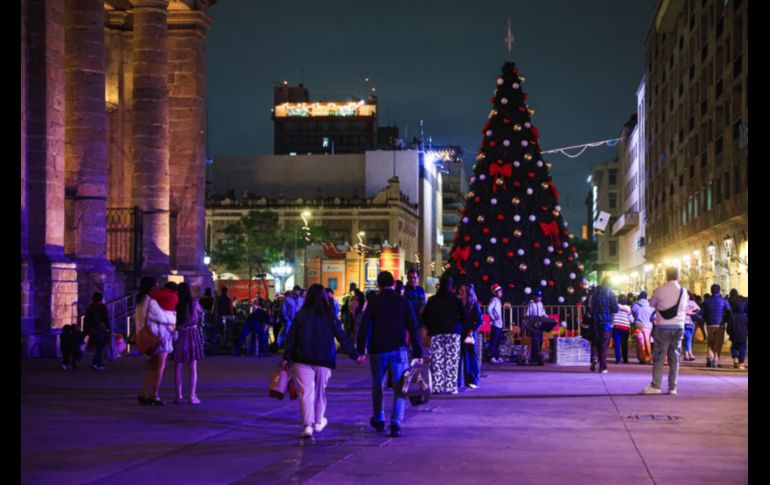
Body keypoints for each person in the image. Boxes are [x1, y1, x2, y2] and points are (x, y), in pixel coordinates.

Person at [283, 284, 364, 438]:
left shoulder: (301, 314)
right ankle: (318, 421)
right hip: (323, 359)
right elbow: (341, 336)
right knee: (320, 393)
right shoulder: (329, 315)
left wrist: (287, 358)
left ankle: (307, 426)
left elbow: (291, 338)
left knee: (306, 394)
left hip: (302, 359)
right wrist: (355, 355)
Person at [357, 271, 424, 438]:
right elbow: (413, 327)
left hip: (378, 350)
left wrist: (360, 349)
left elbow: (364, 326)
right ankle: (396, 422)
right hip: (398, 349)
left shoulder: (374, 302)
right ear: (394, 284)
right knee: (400, 386)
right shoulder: (403, 301)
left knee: (377, 384)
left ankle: (379, 417)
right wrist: (418, 350)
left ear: (378, 285)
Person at [642, 267, 689, 395]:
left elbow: (651, 304)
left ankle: (656, 385)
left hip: (663, 326)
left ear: (666, 276)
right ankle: (672, 387)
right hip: (679, 326)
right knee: (675, 356)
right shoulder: (684, 292)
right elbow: (685, 307)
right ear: (678, 276)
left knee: (659, 356)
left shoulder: (659, 290)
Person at [135, 276, 177, 405]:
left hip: (147, 335)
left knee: (153, 367)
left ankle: (143, 392)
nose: (158, 288)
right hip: (158, 336)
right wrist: (172, 317)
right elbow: (164, 318)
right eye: (156, 285)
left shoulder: (140, 301)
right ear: (152, 286)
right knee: (159, 367)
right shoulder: (151, 301)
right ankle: (155, 395)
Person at [422, 275, 466, 394]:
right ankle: (450, 387)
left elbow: (424, 317)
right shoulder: (456, 300)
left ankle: (437, 386)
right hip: (453, 333)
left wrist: (430, 327)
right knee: (451, 361)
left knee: (436, 360)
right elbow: (464, 317)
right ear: (451, 287)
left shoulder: (432, 300)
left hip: (436, 333)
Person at [171, 283, 204, 404]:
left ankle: (178, 396)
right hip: (192, 334)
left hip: (179, 334)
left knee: (178, 366)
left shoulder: (177, 304)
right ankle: (192, 396)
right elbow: (201, 312)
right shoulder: (194, 303)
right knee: (192, 366)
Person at [587, 278, 618, 373]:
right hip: (606, 323)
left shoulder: (594, 293)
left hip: (594, 322)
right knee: (604, 344)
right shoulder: (611, 294)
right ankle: (603, 367)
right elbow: (615, 309)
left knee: (595, 341)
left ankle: (594, 357)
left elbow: (589, 306)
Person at [458, 283, 482, 389]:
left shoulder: (473, 305)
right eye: (460, 291)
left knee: (472, 357)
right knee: (460, 357)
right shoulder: (459, 304)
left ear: (468, 293)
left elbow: (480, 320)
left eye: (463, 291)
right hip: (460, 333)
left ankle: (473, 380)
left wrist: (472, 330)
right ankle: (459, 381)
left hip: (470, 335)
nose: (460, 293)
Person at [701, 284, 731, 368]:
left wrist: (705, 320)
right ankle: (715, 360)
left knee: (710, 342)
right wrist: (725, 320)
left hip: (709, 324)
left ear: (711, 291)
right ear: (719, 291)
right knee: (718, 344)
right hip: (720, 325)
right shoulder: (724, 301)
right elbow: (729, 312)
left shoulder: (707, 301)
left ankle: (709, 358)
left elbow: (702, 313)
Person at [525, 290, 557, 366]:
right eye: (538, 297)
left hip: (540, 324)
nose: (539, 299)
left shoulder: (540, 304)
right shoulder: (531, 304)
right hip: (533, 325)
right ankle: (533, 358)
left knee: (540, 340)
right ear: (534, 297)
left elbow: (543, 313)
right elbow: (528, 314)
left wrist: (549, 319)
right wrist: (532, 320)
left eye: (540, 297)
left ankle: (539, 356)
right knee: (535, 341)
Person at [84, 292, 110, 371]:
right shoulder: (102, 307)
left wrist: (86, 331)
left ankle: (96, 362)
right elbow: (106, 319)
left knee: (98, 346)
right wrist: (109, 329)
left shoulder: (90, 308)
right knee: (100, 346)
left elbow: (87, 319)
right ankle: (97, 363)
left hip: (92, 328)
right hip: (100, 329)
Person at [631, 291, 654, 364]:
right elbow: (653, 316)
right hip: (648, 326)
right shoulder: (651, 305)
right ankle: (647, 358)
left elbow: (633, 314)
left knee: (640, 342)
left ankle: (641, 358)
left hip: (638, 325)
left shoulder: (635, 305)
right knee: (647, 342)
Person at [727, 294, 748, 369]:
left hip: (734, 335)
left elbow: (729, 327)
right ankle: (741, 363)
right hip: (743, 335)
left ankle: (735, 357)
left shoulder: (732, 316)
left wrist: (729, 332)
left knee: (734, 347)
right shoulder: (745, 317)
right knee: (743, 348)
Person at [611, 295, 633, 364]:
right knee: (624, 344)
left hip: (616, 327)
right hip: (625, 328)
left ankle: (618, 359)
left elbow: (612, 316)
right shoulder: (628, 308)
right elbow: (631, 319)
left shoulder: (615, 307)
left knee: (617, 344)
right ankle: (625, 359)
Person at [487, 284, 505, 364]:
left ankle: (496, 356)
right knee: (494, 341)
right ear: (495, 292)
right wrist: (493, 318)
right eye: (500, 292)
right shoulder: (494, 299)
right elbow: (489, 309)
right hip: (495, 324)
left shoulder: (498, 300)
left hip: (499, 324)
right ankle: (492, 356)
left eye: (501, 291)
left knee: (497, 341)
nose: (501, 293)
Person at [682, 292, 700, 362]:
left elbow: (698, 310)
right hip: (683, 323)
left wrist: (691, 311)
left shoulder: (692, 302)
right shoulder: (680, 303)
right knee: (688, 337)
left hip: (691, 323)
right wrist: (688, 311)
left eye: (687, 295)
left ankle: (686, 354)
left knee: (688, 339)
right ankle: (690, 353)